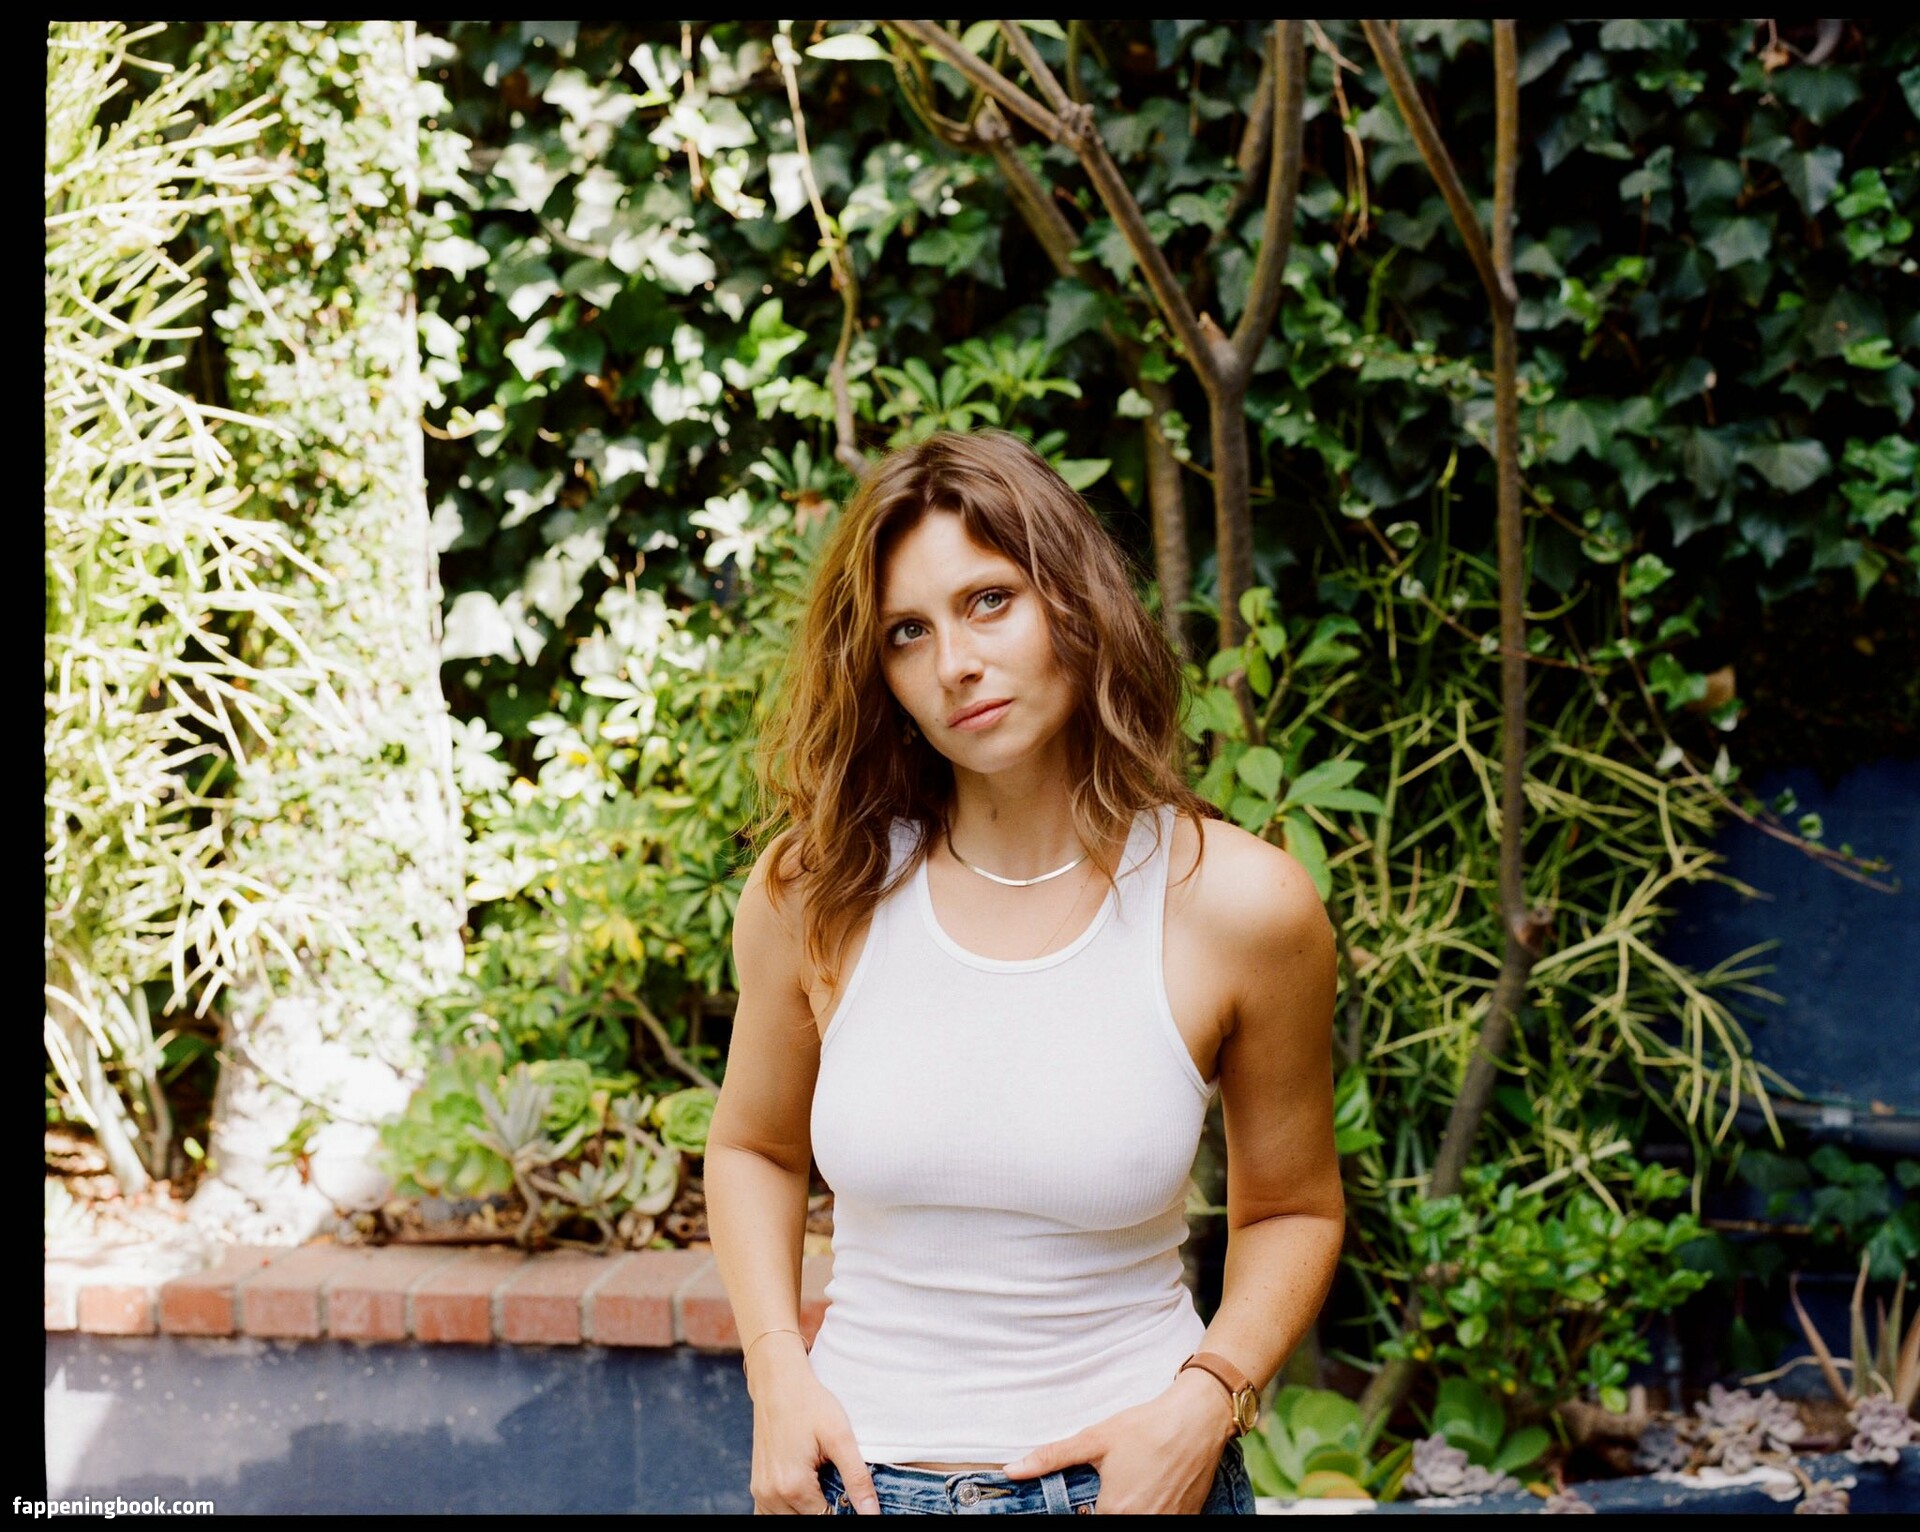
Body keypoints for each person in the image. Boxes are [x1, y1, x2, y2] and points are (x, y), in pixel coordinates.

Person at [705, 430, 1343, 1515]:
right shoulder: (819, 888)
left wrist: (1206, 1403)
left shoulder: (1238, 904)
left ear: (1074, 603)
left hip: (1138, 1487)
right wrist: (775, 1371)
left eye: (989, 601)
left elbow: (1293, 1209)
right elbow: (753, 1147)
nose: (953, 661)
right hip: (856, 1484)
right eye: (908, 632)